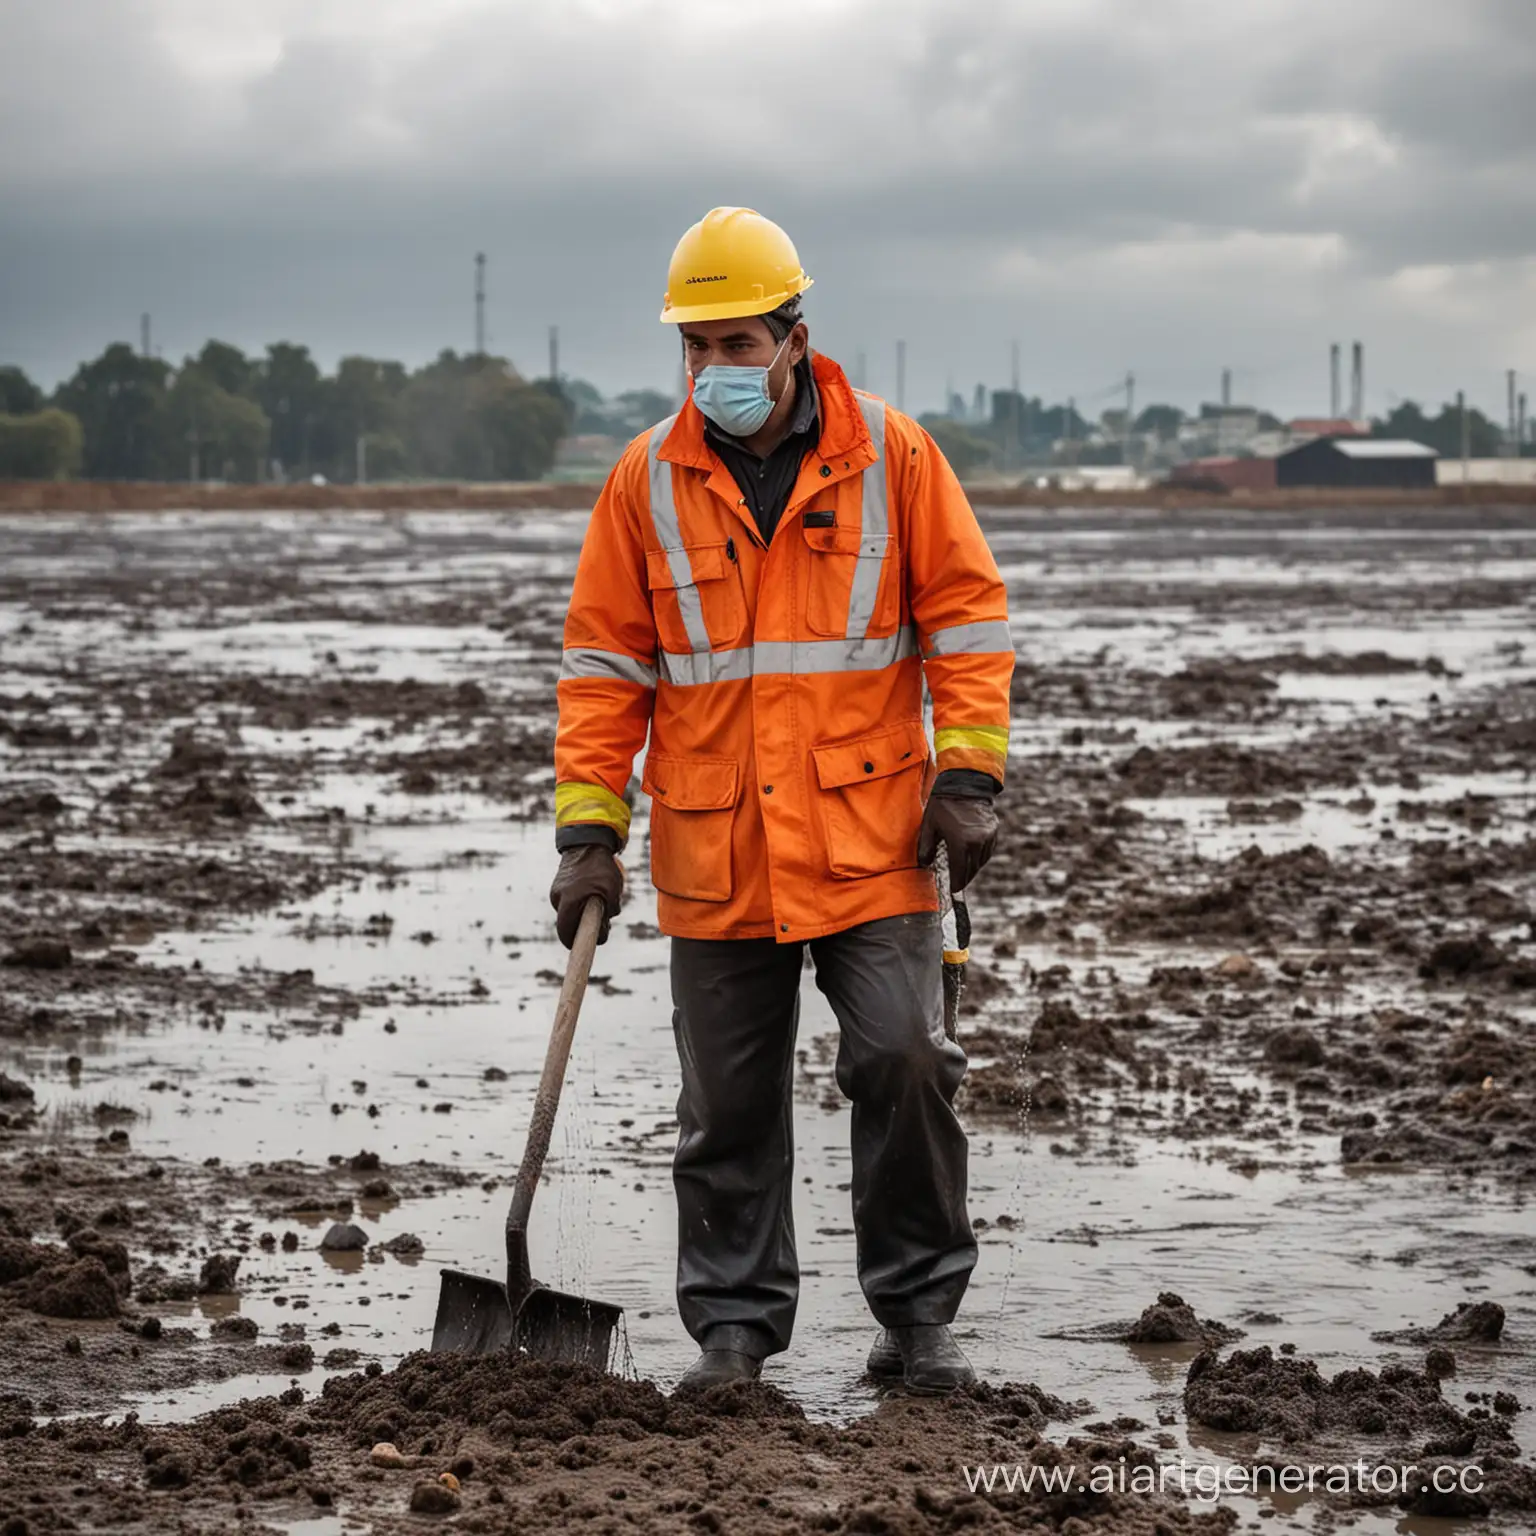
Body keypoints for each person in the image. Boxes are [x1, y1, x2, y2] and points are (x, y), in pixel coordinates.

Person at [549, 207, 1013, 1394]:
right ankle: (736, 1336)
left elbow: (965, 621)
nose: (715, 370)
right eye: (695, 348)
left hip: (875, 839)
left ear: (796, 337)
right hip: (718, 851)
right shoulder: (645, 482)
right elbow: (605, 671)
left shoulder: (895, 459)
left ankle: (916, 1322)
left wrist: (968, 775)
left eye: (738, 343)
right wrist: (588, 833)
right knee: (728, 1109)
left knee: (907, 1064)